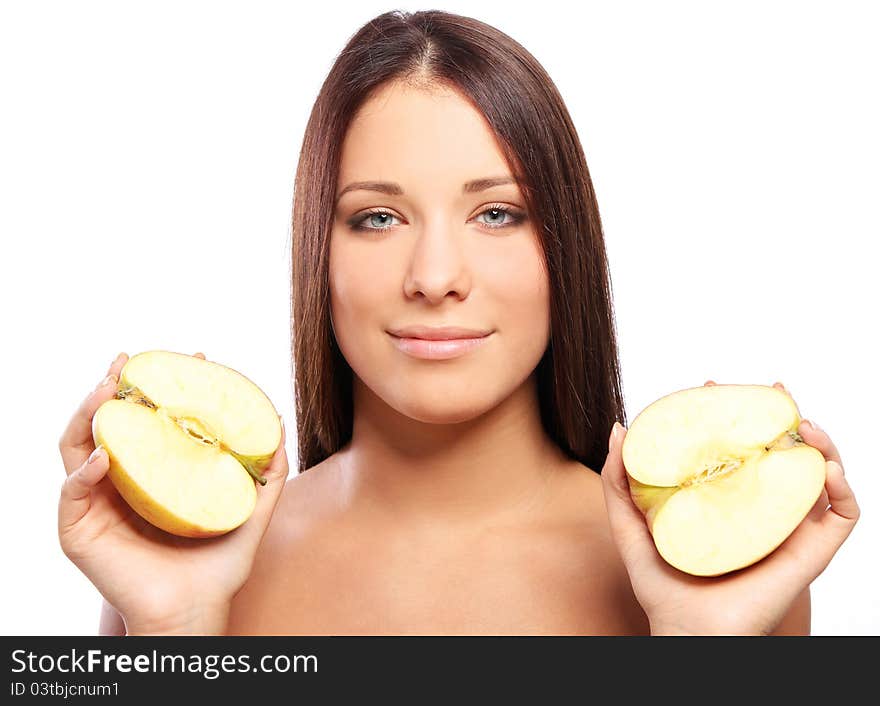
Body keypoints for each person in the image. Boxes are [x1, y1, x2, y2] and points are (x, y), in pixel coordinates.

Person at [57, 10, 859, 636]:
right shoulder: (189, 570)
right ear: (316, 253)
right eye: (376, 218)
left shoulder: (722, 577)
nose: (435, 277)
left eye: (498, 214)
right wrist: (175, 627)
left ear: (566, 246)